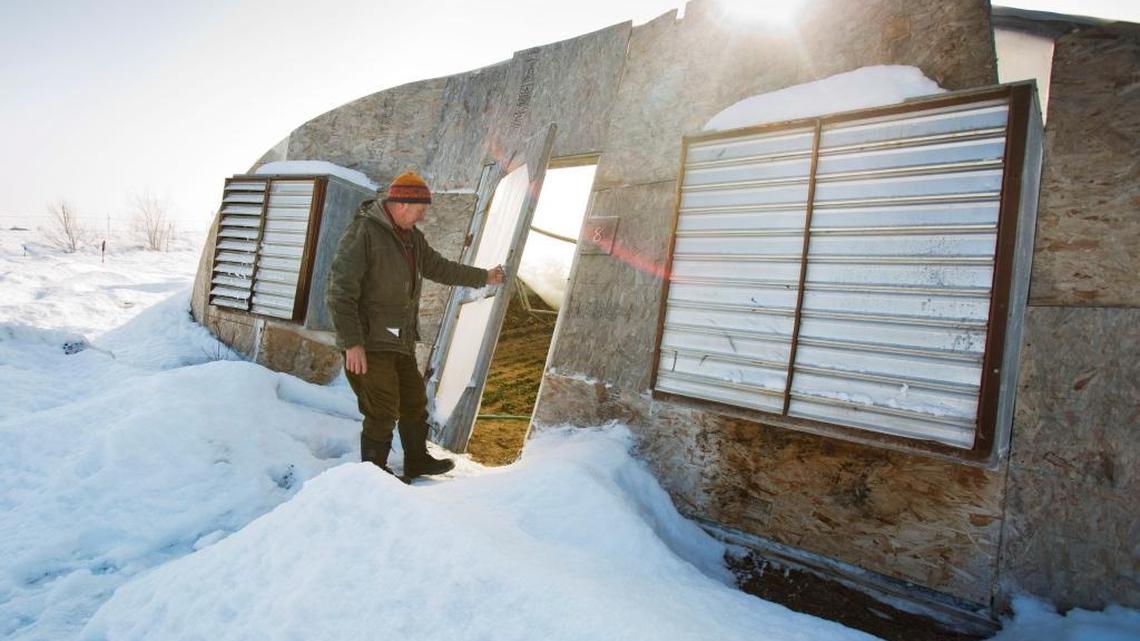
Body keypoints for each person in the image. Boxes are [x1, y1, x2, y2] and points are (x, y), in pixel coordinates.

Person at [326, 170, 504, 480]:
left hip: (399, 339)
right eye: (420, 210)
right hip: (369, 342)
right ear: (402, 204)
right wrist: (351, 342)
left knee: (413, 401)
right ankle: (372, 476)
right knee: (381, 408)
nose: (422, 217)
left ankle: (417, 460)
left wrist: (484, 276)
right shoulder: (364, 233)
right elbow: (339, 291)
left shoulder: (411, 239)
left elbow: (440, 268)